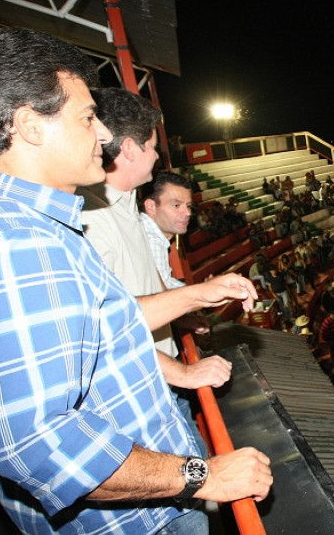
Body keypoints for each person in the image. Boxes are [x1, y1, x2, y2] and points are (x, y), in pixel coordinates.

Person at [0, 28, 271, 534]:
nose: (102, 135)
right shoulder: (15, 243)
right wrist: (201, 474)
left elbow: (106, 325)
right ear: (30, 126)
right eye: (86, 117)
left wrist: (196, 293)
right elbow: (39, 447)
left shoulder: (41, 227)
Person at [80, 88, 227, 461]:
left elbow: (149, 278)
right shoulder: (91, 220)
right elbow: (106, 329)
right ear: (129, 149)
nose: (158, 155)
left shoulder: (126, 200)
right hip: (142, 392)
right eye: (151, 145)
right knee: (191, 498)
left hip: (160, 375)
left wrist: (183, 313)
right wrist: (184, 373)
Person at [140, 170, 193, 289]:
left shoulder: (152, 234)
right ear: (151, 207)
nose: (187, 213)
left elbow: (166, 283)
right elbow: (163, 297)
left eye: (188, 206)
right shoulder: (151, 240)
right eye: (176, 205)